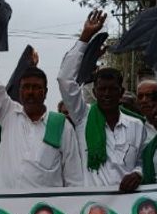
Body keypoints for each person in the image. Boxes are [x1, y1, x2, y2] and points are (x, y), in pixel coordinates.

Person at [0, 36, 83, 190]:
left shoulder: (61, 125)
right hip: (3, 208)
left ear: (45, 92)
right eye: (26, 87)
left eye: (36, 87)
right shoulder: (9, 113)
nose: (30, 92)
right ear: (19, 92)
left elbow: (74, 179)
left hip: (44, 211)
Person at [57, 11, 146, 192]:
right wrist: (85, 36)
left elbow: (144, 162)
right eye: (102, 89)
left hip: (126, 209)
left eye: (112, 89)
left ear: (121, 92)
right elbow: (65, 80)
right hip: (91, 209)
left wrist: (138, 173)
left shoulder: (137, 125)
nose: (107, 94)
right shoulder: (83, 118)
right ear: (95, 92)